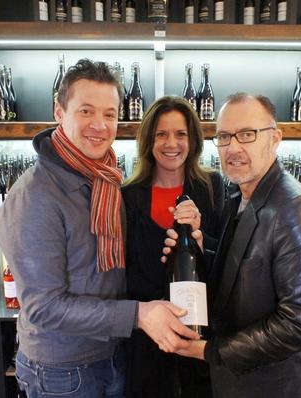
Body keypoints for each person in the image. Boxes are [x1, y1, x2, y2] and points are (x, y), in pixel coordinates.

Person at [0, 59, 199, 398]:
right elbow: (43, 307)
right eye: (86, 111)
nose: (100, 126)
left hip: (109, 353)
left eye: (109, 114)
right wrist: (139, 314)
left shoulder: (103, 179)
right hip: (62, 369)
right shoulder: (36, 195)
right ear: (59, 112)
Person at [163, 93, 301, 398]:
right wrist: (203, 247)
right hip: (233, 382)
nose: (233, 147)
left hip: (268, 386)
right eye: (224, 136)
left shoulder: (296, 209)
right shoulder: (240, 194)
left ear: (275, 139)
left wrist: (211, 351)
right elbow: (244, 265)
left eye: (247, 135)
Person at [122, 96, 225, 398]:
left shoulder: (211, 186)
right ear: (148, 141)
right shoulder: (128, 196)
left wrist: (200, 236)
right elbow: (123, 269)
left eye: (181, 134)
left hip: (198, 333)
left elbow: (225, 258)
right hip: (147, 337)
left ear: (193, 139)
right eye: (161, 134)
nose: (172, 143)